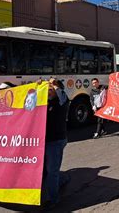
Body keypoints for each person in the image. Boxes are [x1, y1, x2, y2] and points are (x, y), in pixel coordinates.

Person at [41, 78, 69, 207]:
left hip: (56, 141)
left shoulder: (62, 101)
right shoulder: (45, 103)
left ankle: (53, 199)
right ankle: (62, 180)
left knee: (52, 171)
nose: (48, 90)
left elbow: (60, 92)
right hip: (44, 141)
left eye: (51, 89)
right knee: (48, 169)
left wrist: (53, 83)